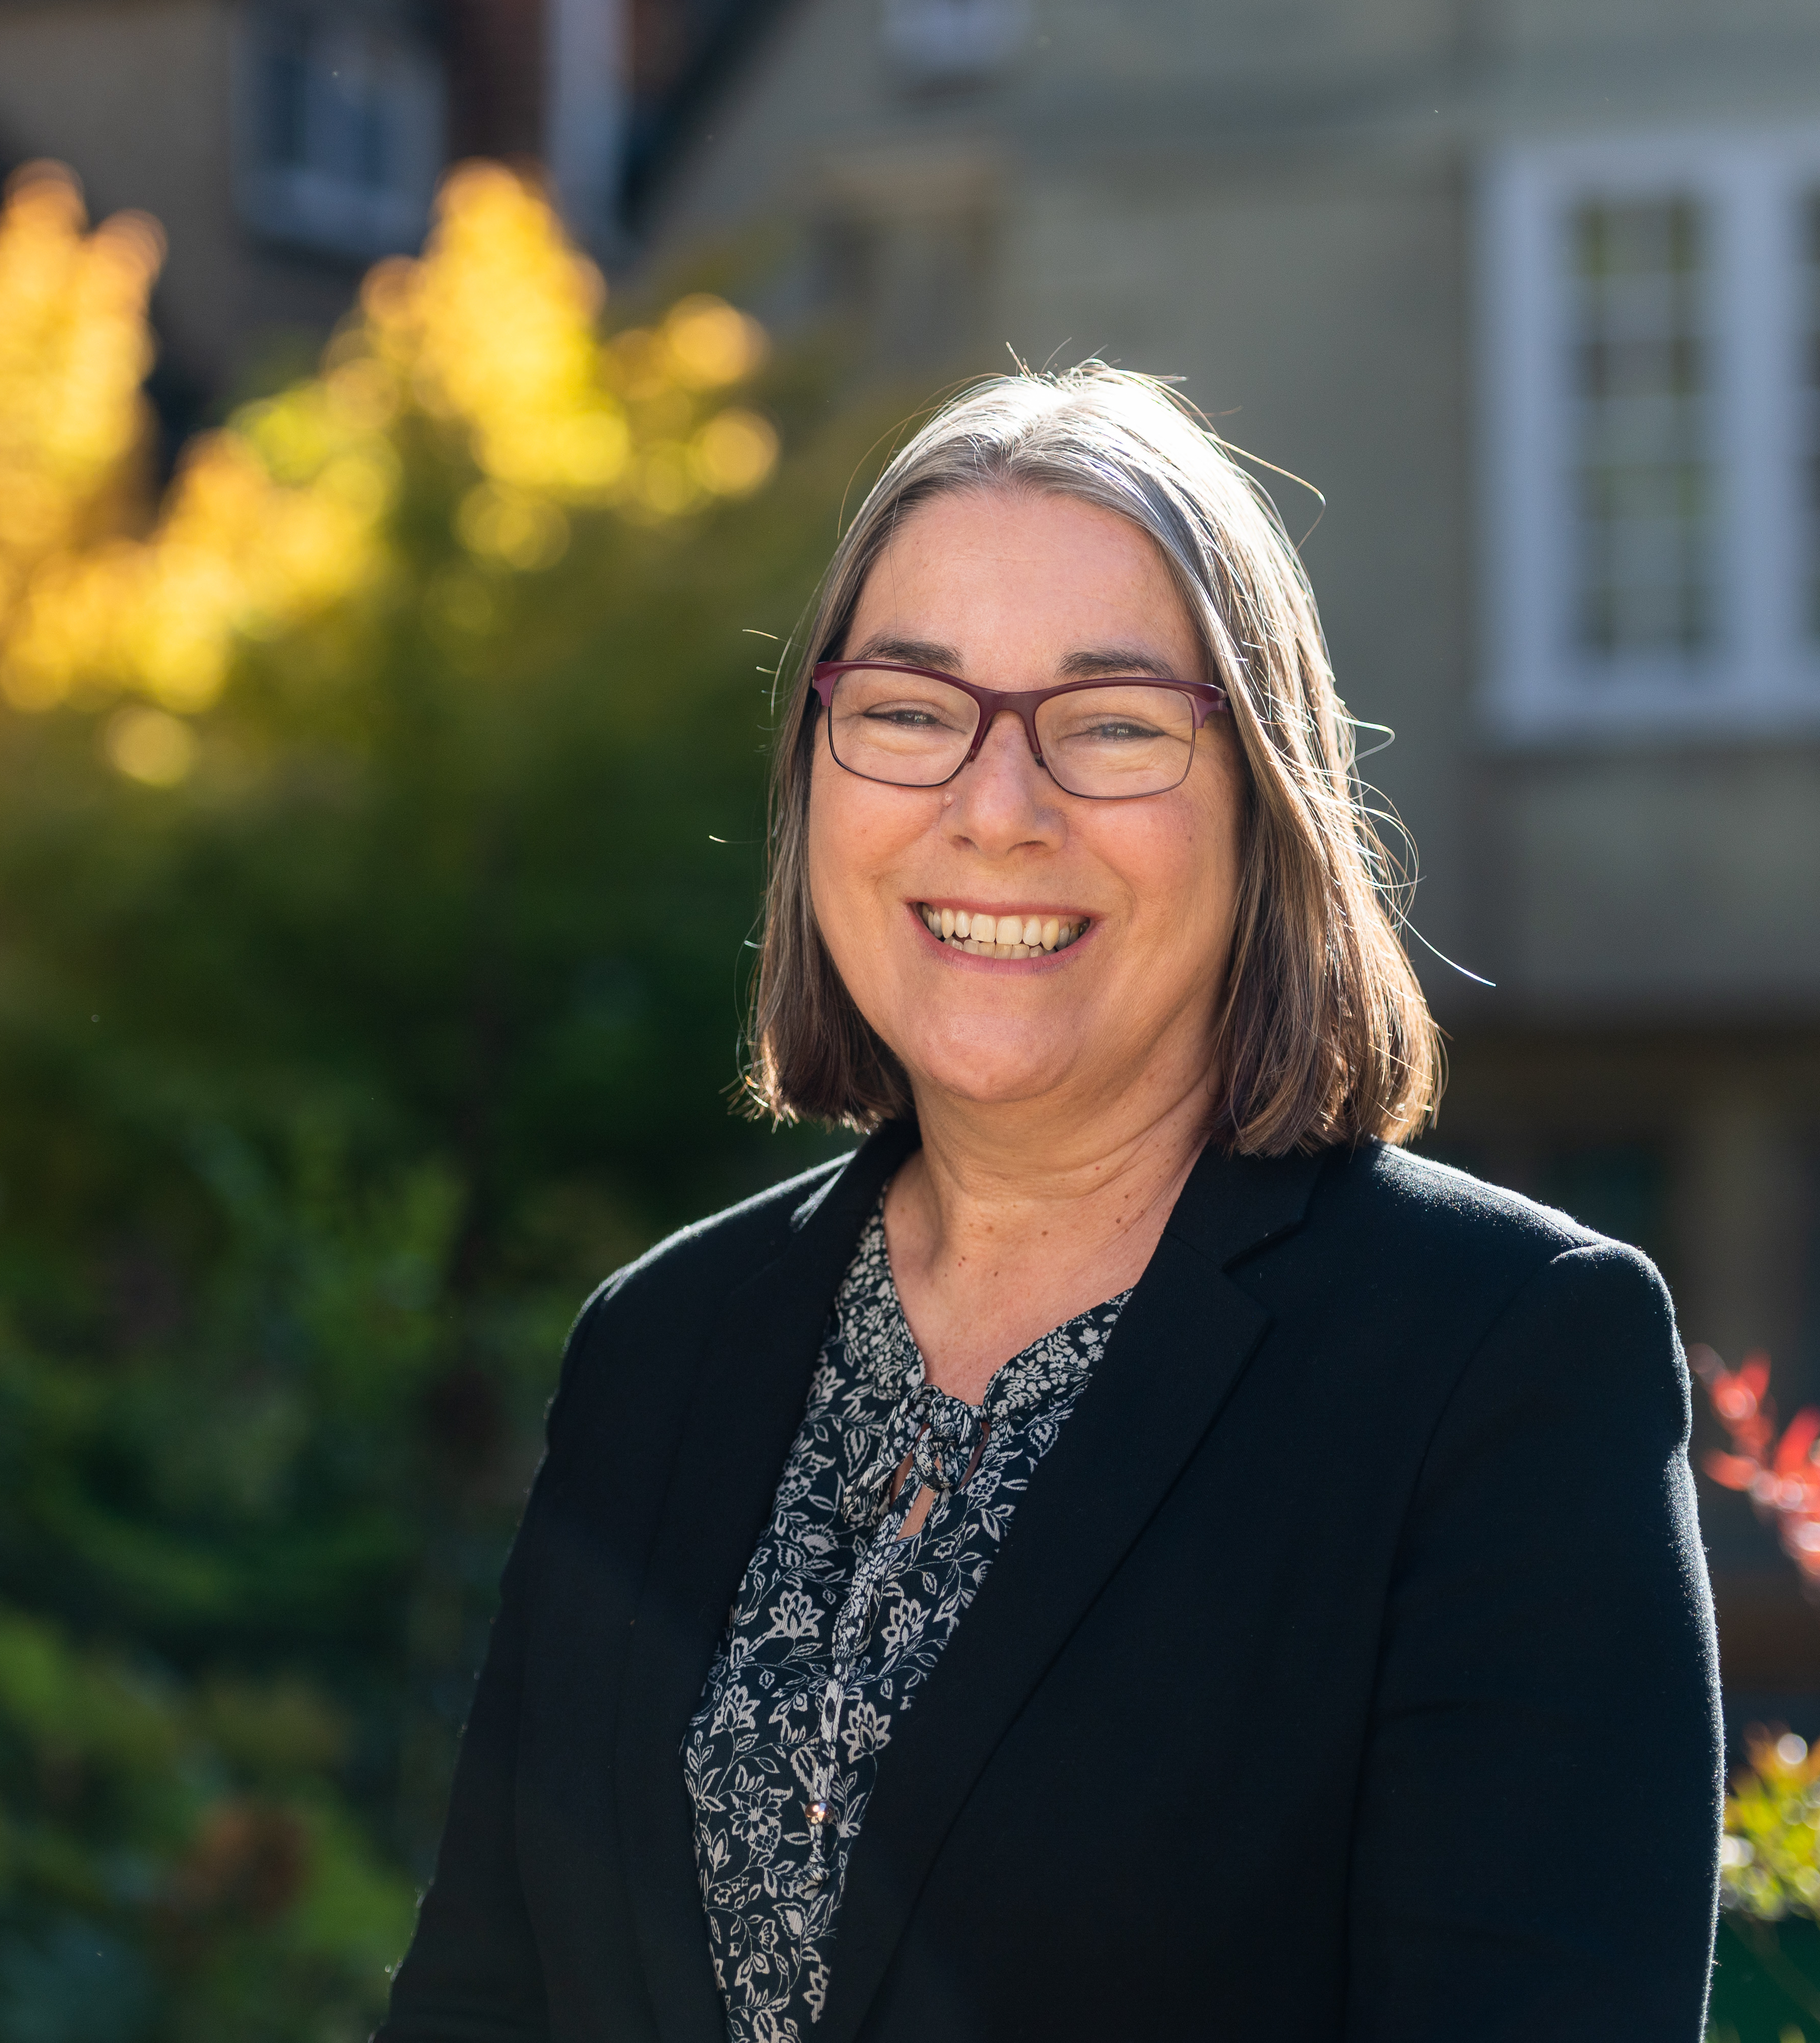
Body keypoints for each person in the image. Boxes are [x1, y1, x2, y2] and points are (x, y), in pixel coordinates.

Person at [377, 366, 1723, 2042]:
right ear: (818, 766)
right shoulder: (661, 1346)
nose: (996, 809)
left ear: (1266, 796)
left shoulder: (1501, 1362)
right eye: (913, 709)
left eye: (1110, 726)